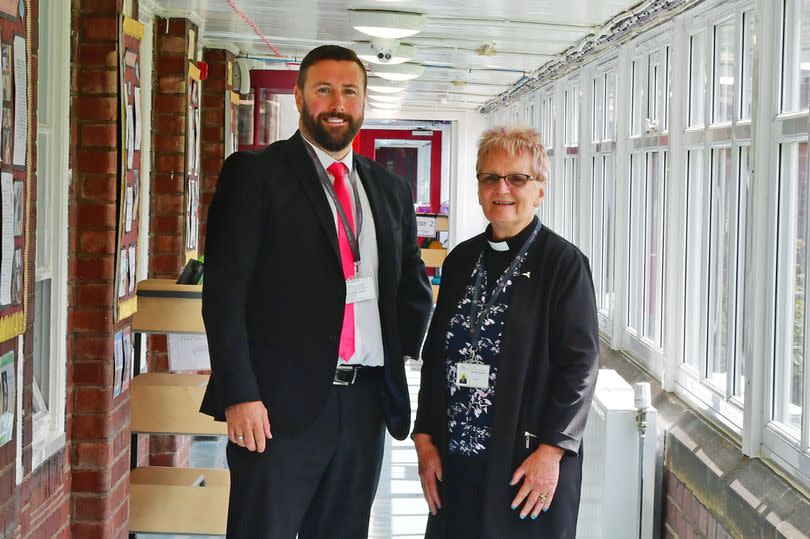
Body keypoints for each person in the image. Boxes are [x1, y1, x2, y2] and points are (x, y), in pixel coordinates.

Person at [200, 45, 433, 539]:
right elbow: (224, 294)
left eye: (349, 91)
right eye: (323, 89)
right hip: (275, 409)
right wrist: (239, 394)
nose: (337, 103)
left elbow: (410, 285)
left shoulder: (389, 190)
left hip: (366, 403)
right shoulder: (256, 175)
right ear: (299, 96)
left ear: (364, 101)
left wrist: (406, 353)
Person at [412, 125, 600, 538]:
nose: (503, 189)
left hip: (526, 464)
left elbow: (580, 366)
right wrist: (424, 437)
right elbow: (436, 354)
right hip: (455, 462)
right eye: (490, 177)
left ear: (540, 189)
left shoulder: (564, 265)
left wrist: (552, 452)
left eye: (517, 178)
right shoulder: (460, 260)